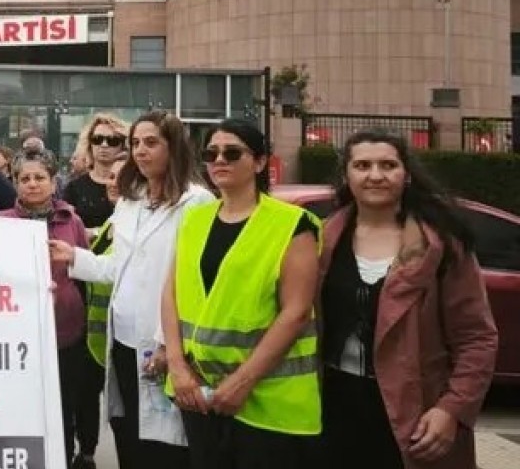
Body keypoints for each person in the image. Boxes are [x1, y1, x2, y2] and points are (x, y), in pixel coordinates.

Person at [319, 130, 497, 469]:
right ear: (346, 175)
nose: (375, 175)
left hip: (416, 412)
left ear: (407, 175)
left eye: (388, 165)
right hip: (334, 406)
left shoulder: (442, 247)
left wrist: (452, 410)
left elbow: (477, 338)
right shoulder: (322, 239)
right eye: (362, 165)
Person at [49, 110, 213, 469]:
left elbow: (196, 282)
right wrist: (72, 256)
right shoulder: (129, 200)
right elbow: (116, 268)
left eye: (151, 142)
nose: (140, 151)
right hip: (123, 340)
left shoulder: (197, 202)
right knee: (129, 436)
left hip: (163, 342)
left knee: (167, 446)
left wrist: (170, 343)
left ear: (174, 148)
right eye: (135, 142)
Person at [160, 118, 322, 468]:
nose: (219, 160)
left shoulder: (293, 224)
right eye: (211, 153)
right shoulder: (194, 219)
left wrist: (241, 383)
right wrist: (176, 366)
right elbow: (171, 294)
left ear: (260, 162)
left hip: (267, 400)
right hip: (198, 393)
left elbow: (295, 313)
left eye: (232, 152)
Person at [0, 149, 94, 467]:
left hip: (66, 334)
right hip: (19, 337)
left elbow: (85, 271)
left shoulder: (73, 220)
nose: (32, 184)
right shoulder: (0, 223)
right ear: (14, 183)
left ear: (54, 182)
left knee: (62, 410)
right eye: (24, 178)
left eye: (40, 177)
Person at [80, 156, 126, 469]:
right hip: (98, 342)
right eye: (109, 177)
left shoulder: (132, 223)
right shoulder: (115, 220)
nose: (111, 183)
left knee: (126, 423)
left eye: (119, 178)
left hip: (122, 340)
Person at [64, 114, 129, 231]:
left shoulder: (132, 185)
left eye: (112, 141)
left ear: (123, 146)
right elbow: (66, 227)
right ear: (90, 144)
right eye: (97, 139)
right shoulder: (74, 187)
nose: (104, 145)